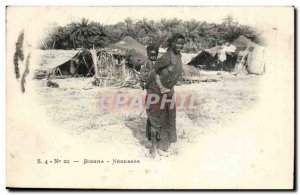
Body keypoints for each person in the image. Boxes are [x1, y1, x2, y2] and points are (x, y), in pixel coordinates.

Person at [145, 33, 185, 158]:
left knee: (168, 119)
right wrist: (160, 87)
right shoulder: (166, 57)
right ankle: (153, 150)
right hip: (156, 91)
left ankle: (162, 147)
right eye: (177, 43)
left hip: (168, 92)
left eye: (182, 43)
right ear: (172, 43)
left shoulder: (178, 56)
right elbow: (154, 71)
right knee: (156, 120)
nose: (180, 46)